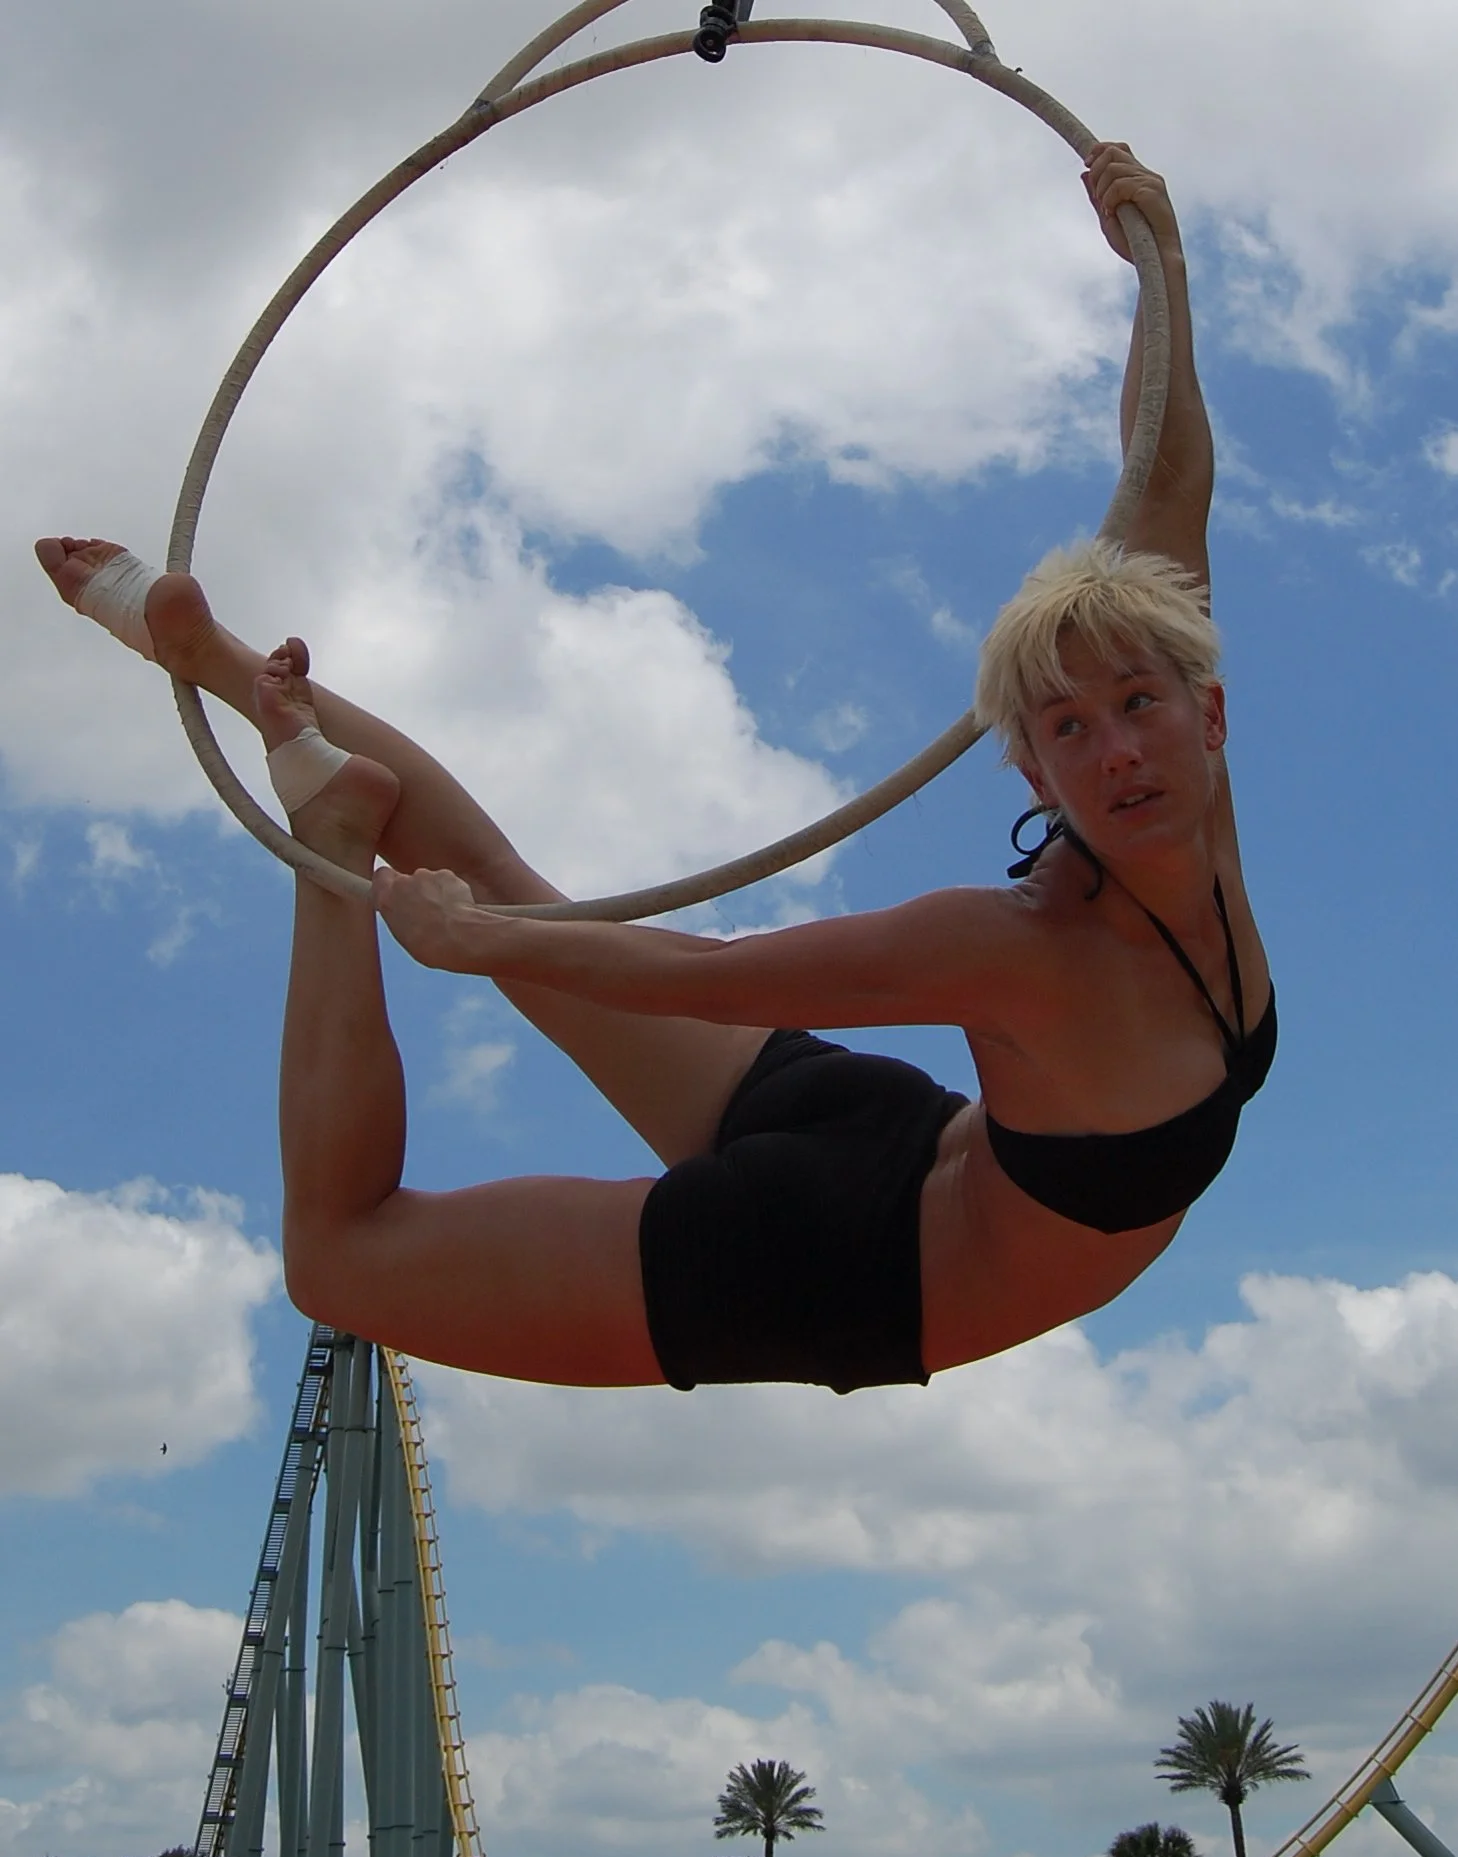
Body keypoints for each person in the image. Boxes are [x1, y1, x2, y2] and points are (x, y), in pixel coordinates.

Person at [37, 144, 1272, 1395]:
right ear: (1031, 776)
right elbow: (707, 977)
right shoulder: (1020, 943)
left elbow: (1165, 480)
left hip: (875, 1136)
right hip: (838, 1260)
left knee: (501, 881)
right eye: (1067, 730)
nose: (1115, 748)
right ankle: (287, 771)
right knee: (338, 1261)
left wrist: (1159, 260)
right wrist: (475, 945)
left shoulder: (1174, 802)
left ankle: (210, 658)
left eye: (1134, 706)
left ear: (1205, 712)